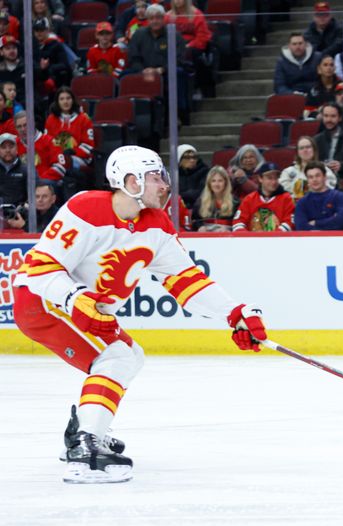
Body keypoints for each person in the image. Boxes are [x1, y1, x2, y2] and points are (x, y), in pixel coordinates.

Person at [12, 146, 268, 483]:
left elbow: (187, 281)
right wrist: (75, 297)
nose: (164, 184)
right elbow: (40, 269)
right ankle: (85, 449)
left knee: (129, 355)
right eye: (155, 176)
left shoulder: (157, 225)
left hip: (83, 309)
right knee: (115, 356)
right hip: (43, 302)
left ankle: (87, 429)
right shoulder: (86, 207)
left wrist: (234, 313)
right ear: (130, 180)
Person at [233, 162, 295, 232]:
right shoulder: (249, 199)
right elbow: (238, 222)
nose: (274, 182)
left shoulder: (286, 199)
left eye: (276, 178)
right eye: (270, 178)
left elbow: (289, 222)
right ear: (260, 178)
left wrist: (274, 237)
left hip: (278, 241)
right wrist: (249, 238)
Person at [44, 87, 94, 171]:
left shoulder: (84, 119)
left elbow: (88, 147)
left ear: (73, 100)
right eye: (62, 99)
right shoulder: (51, 119)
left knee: (63, 163)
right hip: (56, 157)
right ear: (57, 102)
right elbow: (47, 143)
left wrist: (74, 151)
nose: (65, 102)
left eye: (68, 98)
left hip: (78, 158)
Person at [280, 136, 337, 200]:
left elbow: (328, 188)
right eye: (301, 148)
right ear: (297, 152)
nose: (305, 150)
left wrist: (300, 186)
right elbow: (282, 189)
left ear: (314, 150)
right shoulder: (288, 172)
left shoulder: (325, 170)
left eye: (308, 147)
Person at [314, 102, 343, 182]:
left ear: (340, 118)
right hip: (321, 179)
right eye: (326, 116)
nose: (329, 120)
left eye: (333, 116)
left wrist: (341, 166)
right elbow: (312, 163)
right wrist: (322, 165)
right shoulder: (317, 139)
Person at [294, 161, 343, 231]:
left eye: (317, 176)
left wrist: (316, 223)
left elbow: (341, 221)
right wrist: (331, 220)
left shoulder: (340, 197)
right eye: (310, 177)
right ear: (307, 180)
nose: (314, 180)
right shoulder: (302, 203)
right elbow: (301, 228)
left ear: (325, 177)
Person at [192, 165, 239, 231]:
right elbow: (195, 221)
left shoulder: (235, 202)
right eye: (213, 181)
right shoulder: (200, 201)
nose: (216, 184)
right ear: (209, 183)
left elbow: (238, 224)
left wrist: (228, 229)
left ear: (225, 183)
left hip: (227, 237)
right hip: (206, 236)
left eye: (220, 181)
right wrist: (200, 227)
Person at [275, 32, 321, 96]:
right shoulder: (281, 62)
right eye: (294, 44)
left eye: (300, 43)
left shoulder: (317, 58)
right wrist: (292, 94)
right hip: (292, 97)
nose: (298, 47)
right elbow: (279, 85)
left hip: (316, 94)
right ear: (289, 46)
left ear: (306, 44)